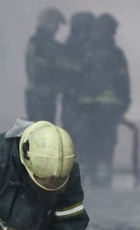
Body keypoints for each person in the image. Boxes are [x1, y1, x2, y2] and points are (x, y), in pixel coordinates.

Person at [73, 13, 131, 188]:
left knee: (85, 151)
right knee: (104, 153)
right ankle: (102, 186)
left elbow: (74, 80)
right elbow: (123, 83)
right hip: (107, 113)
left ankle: (83, 187)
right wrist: (122, 106)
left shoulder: (84, 51)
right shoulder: (115, 54)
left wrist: (75, 105)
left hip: (86, 112)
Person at [25, 8, 67, 123]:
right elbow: (37, 70)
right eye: (55, 24)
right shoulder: (37, 43)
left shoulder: (50, 45)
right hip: (38, 96)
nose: (57, 28)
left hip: (46, 97)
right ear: (47, 23)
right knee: (40, 128)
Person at [60, 11, 96, 141]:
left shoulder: (70, 45)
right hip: (78, 97)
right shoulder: (84, 46)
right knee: (82, 133)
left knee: (74, 132)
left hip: (73, 97)